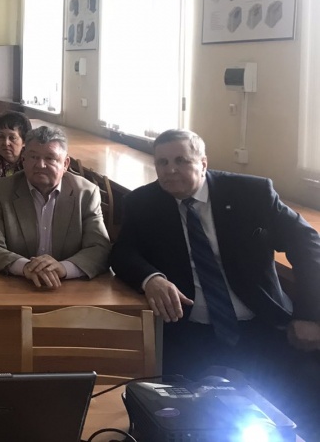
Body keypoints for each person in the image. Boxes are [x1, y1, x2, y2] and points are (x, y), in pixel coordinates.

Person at [109, 129, 320, 437]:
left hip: (260, 325)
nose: (170, 170)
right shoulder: (143, 202)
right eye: (162, 162)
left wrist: (310, 316)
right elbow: (123, 253)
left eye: (181, 160)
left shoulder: (251, 193)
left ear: (203, 163)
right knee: (174, 420)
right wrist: (151, 279)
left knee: (299, 405)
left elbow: (308, 244)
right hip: (188, 329)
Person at [0, 125, 110, 286]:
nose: (40, 165)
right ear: (23, 160)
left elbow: (99, 248)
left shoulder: (86, 193)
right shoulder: (0, 191)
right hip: (16, 284)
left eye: (50, 158)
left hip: (69, 287)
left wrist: (64, 268)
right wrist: (25, 266)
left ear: (65, 163)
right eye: (33, 157)